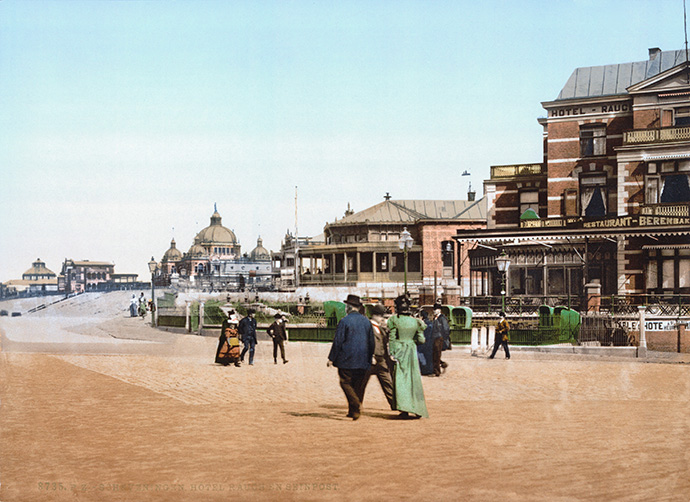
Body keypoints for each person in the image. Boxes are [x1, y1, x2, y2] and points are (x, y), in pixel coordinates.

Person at [327, 294, 375, 421]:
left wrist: (331, 358)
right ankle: (353, 412)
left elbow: (338, 341)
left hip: (346, 359)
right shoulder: (366, 321)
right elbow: (371, 342)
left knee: (345, 382)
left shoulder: (344, 321)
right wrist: (371, 356)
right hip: (363, 358)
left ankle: (355, 404)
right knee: (357, 385)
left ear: (348, 307)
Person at [387, 295, 428, 419]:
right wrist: (412, 340)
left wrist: (392, 353)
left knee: (401, 379)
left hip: (400, 350)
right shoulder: (416, 322)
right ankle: (417, 408)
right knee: (413, 378)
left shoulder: (395, 320)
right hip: (411, 350)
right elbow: (421, 340)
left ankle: (404, 408)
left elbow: (392, 338)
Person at [362, 304, 395, 411]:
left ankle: (394, 404)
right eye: (381, 316)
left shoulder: (381, 328)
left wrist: (386, 329)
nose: (382, 319)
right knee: (361, 384)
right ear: (374, 316)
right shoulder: (368, 326)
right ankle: (357, 405)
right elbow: (365, 343)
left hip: (381, 359)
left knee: (387, 382)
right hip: (370, 359)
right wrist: (370, 355)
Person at [431, 303, 451, 377]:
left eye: (435, 309)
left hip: (439, 338)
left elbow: (446, 329)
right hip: (435, 338)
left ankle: (437, 371)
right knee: (435, 354)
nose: (434, 311)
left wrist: (443, 337)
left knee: (437, 354)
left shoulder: (442, 318)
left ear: (439, 310)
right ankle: (442, 364)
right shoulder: (435, 318)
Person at [416, 310, 434, 376]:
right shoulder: (430, 323)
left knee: (421, 356)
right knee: (429, 357)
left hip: (423, 341)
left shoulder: (422, 324)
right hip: (429, 341)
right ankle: (430, 370)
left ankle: (424, 369)